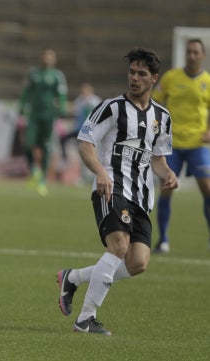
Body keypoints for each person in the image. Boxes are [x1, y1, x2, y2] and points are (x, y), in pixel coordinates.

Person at [56, 48, 178, 335]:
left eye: (141, 74)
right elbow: (85, 143)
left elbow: (157, 159)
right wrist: (100, 173)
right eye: (132, 73)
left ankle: (73, 278)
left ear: (154, 79)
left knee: (137, 263)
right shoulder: (111, 107)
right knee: (119, 247)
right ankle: (86, 319)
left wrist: (169, 174)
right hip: (111, 188)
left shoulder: (162, 116)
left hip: (142, 197)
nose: (134, 78)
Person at [151, 38, 210, 254]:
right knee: (166, 188)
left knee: (207, 189)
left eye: (196, 52)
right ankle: (163, 240)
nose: (192, 55)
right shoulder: (171, 77)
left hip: (197, 144)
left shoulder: (207, 81)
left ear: (202, 55)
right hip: (171, 144)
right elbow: (155, 101)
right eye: (189, 52)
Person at [18, 48, 68, 196]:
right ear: (41, 58)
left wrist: (62, 108)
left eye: (50, 56)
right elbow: (26, 92)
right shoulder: (34, 74)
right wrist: (22, 106)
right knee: (28, 143)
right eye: (45, 56)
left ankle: (42, 180)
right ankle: (34, 169)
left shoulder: (57, 76)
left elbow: (62, 94)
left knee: (46, 146)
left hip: (49, 115)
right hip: (34, 115)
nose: (47, 59)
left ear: (54, 60)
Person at [58, 82, 101, 184]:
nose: (83, 92)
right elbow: (73, 107)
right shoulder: (80, 100)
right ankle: (65, 160)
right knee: (64, 139)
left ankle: (91, 176)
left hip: (91, 132)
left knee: (90, 154)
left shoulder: (95, 101)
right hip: (79, 131)